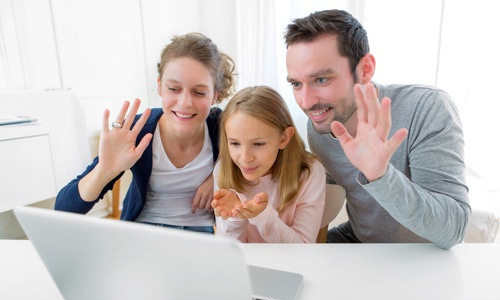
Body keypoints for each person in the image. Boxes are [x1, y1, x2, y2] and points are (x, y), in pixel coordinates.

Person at [284, 9, 470, 249]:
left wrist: (380, 176)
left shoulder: (426, 108)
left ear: (365, 69)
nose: (307, 102)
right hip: (366, 249)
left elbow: (453, 229)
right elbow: (355, 216)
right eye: (297, 84)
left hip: (430, 258)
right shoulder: (320, 125)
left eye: (321, 80)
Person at [55, 32, 237, 234]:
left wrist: (219, 176)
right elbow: (63, 210)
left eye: (199, 92)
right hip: (143, 233)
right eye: (173, 88)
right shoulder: (136, 130)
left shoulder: (225, 126)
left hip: (202, 234)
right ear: (160, 86)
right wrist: (105, 170)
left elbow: (261, 169)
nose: (185, 102)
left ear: (215, 95)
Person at [211, 85, 326, 243]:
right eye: (235, 143)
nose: (245, 158)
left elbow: (302, 249)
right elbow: (226, 252)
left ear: (284, 138)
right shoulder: (224, 170)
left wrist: (262, 215)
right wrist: (235, 217)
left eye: (258, 144)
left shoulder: (309, 172)